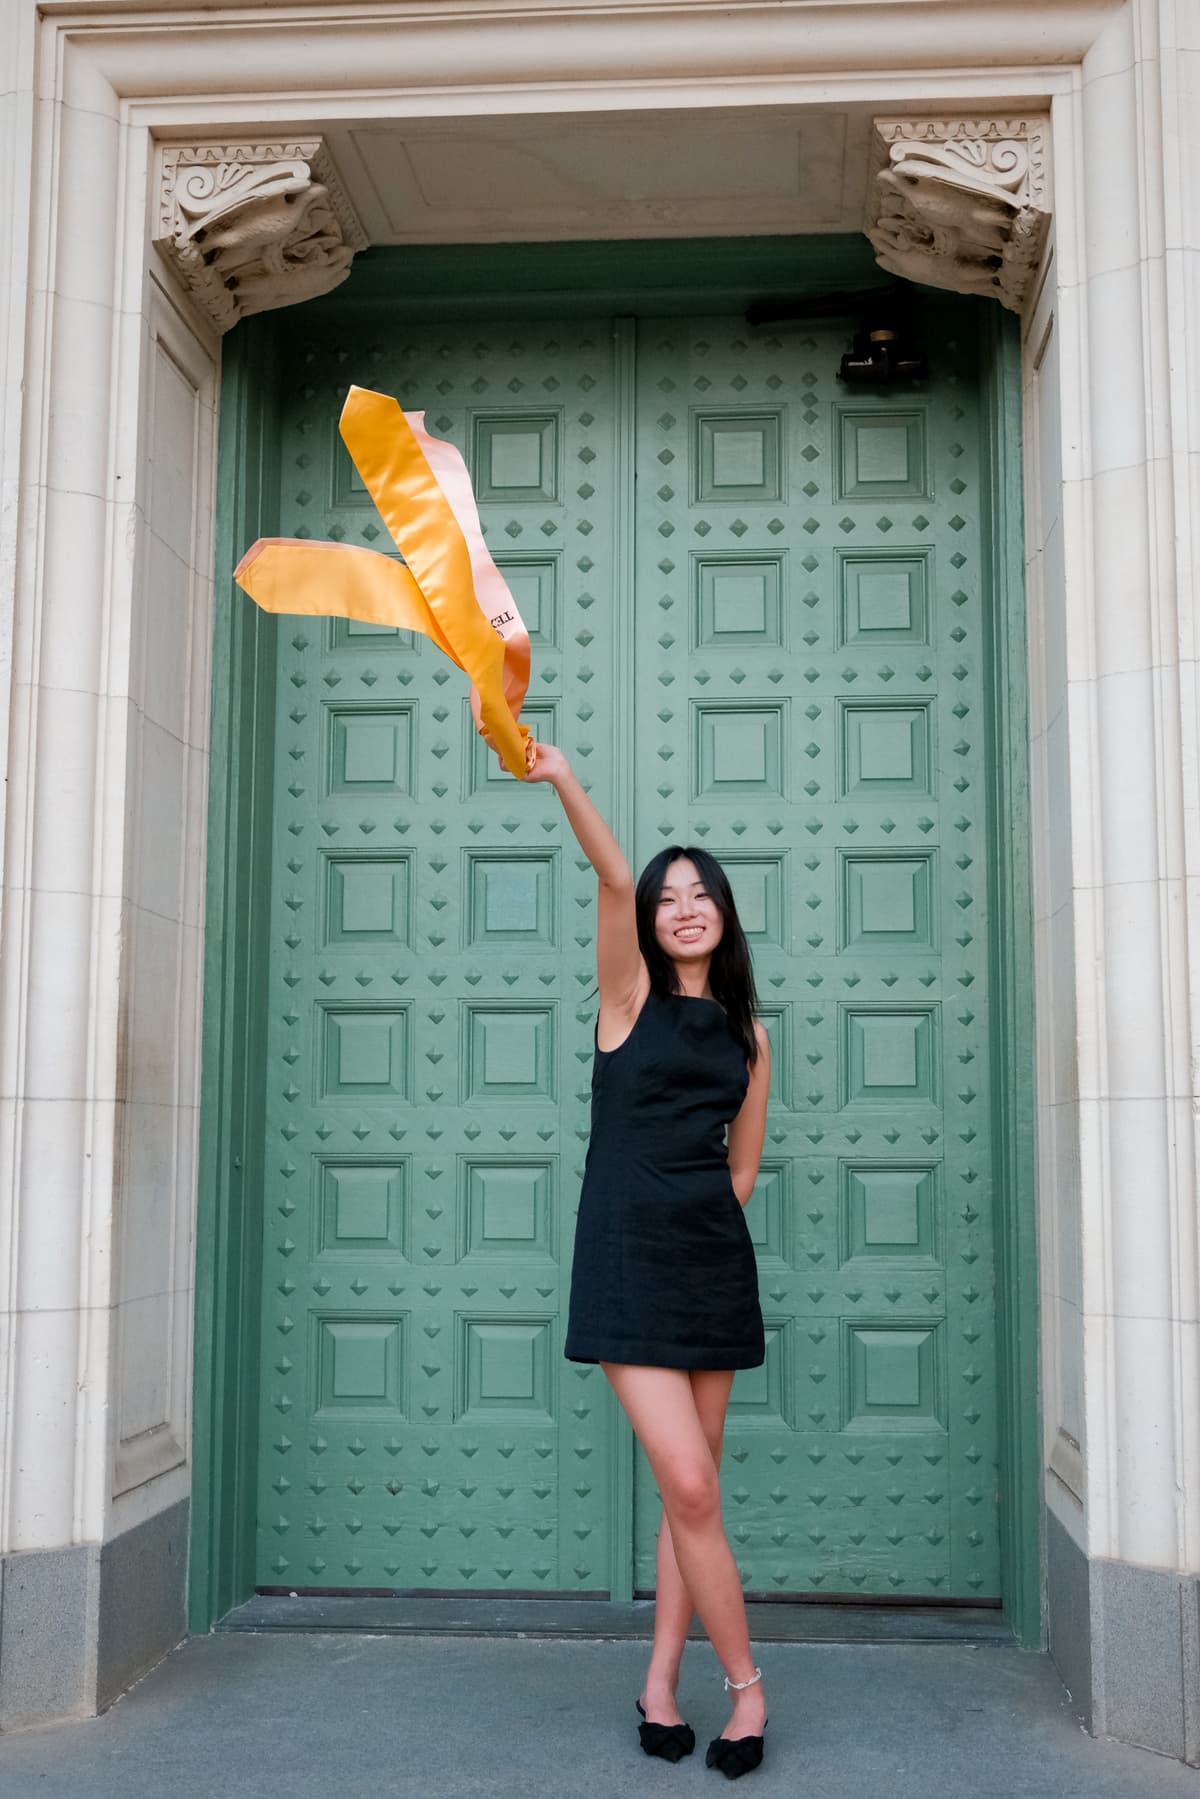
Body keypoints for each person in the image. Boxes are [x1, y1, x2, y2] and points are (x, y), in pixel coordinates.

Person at [524, 742, 772, 1780]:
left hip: (709, 1265)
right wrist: (564, 776)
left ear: (724, 912)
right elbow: (613, 876)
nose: (682, 907)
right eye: (669, 898)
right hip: (626, 1263)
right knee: (692, 1484)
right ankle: (750, 1690)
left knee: (690, 1493)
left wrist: (697, 1221)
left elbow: (742, 1169)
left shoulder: (747, 1033)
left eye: (700, 893)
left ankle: (661, 1682)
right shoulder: (626, 994)